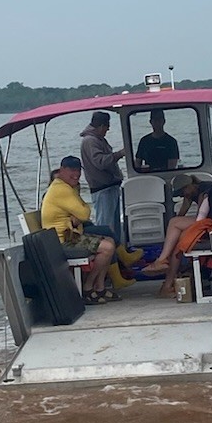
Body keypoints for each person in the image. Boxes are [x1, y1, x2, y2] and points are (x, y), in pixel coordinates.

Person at [137, 145, 212, 297]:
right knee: (176, 227)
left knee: (175, 227)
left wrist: (209, 199)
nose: (183, 195)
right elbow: (187, 213)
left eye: (183, 192)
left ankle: (163, 264)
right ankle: (164, 270)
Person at [40, 156, 117, 301]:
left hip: (71, 236)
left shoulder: (68, 187)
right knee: (106, 247)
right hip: (60, 241)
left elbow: (83, 212)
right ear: (62, 170)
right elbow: (85, 213)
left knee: (110, 241)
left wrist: (79, 211)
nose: (76, 174)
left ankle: (100, 287)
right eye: (71, 170)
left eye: (78, 171)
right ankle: (88, 287)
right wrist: (79, 212)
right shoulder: (60, 189)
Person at [80, 110, 124, 241]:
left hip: (110, 188)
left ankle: (118, 256)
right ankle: (106, 254)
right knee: (105, 226)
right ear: (101, 126)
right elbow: (100, 162)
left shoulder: (98, 139)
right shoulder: (90, 141)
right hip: (103, 190)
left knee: (114, 226)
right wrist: (119, 154)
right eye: (107, 126)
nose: (108, 129)